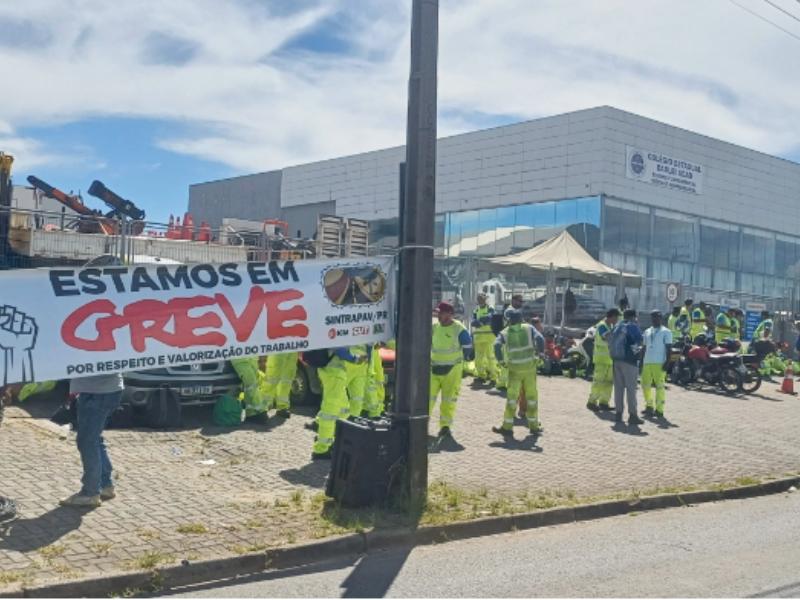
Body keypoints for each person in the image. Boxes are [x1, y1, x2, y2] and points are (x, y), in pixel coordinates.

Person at [59, 372, 124, 507]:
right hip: (107, 389)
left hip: (95, 392)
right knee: (94, 438)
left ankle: (90, 493)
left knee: (87, 441)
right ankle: (105, 484)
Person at [492, 308, 544, 436]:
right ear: (521, 319)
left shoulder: (505, 332)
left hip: (515, 370)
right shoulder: (529, 328)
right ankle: (534, 426)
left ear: (509, 321)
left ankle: (507, 426)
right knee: (531, 398)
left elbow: (496, 345)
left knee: (512, 398)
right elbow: (541, 339)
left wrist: (501, 361)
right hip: (530, 369)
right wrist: (540, 354)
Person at [311, 345, 368, 460]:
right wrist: (354, 358)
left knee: (342, 409)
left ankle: (327, 440)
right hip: (334, 370)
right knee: (331, 410)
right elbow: (338, 346)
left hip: (335, 370)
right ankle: (321, 448)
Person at [430, 301, 473, 437]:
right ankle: (421, 425)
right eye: (438, 312)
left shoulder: (459, 329)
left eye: (441, 313)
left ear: (450, 314)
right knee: (427, 399)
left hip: (452, 369)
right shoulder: (435, 327)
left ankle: (445, 427)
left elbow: (468, 348)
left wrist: (466, 363)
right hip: (434, 368)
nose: (438, 315)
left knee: (448, 400)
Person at [611, 309, 644, 426]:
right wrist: (638, 355)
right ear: (633, 317)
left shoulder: (617, 326)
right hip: (629, 362)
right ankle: (633, 415)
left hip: (616, 361)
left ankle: (618, 414)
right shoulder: (633, 326)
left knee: (618, 389)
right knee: (631, 389)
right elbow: (639, 342)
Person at [586, 308, 620, 411]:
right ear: (612, 316)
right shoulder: (602, 325)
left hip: (610, 359)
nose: (617, 320)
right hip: (601, 359)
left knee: (609, 382)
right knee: (598, 381)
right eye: (616, 317)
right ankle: (591, 402)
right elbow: (607, 337)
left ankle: (604, 402)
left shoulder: (611, 326)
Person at [641, 310, 672, 419]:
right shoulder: (647, 331)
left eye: (657, 317)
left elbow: (669, 349)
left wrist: (667, 362)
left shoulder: (666, 332)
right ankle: (649, 406)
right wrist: (640, 362)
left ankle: (659, 410)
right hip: (647, 362)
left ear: (661, 318)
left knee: (659, 387)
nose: (655, 319)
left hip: (659, 363)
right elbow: (644, 348)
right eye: (653, 317)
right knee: (645, 385)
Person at [471, 293, 497, 384]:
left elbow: (490, 317)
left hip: (489, 338)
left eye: (482, 299)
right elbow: (473, 321)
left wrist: (480, 321)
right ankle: (482, 375)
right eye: (479, 299)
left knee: (491, 358)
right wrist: (477, 322)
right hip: (478, 338)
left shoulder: (490, 308)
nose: (480, 300)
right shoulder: (476, 310)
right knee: (478, 358)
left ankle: (494, 377)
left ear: (485, 299)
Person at [264, 351, 298, 419]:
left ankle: (282, 406)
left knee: (286, 379)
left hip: (292, 347)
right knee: (272, 378)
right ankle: (264, 407)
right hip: (277, 346)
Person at [363, 342, 386, 418]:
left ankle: (378, 411)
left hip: (372, 349)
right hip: (366, 410)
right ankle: (374, 413)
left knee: (378, 379)